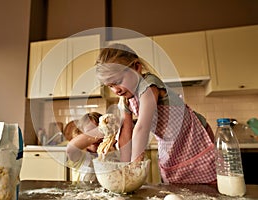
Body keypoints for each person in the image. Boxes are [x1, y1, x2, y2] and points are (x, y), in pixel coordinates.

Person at [94, 43, 216, 184]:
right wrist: (124, 170)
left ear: (137, 68)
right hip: (170, 143)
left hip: (195, 136)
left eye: (118, 81)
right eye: (110, 86)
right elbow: (125, 135)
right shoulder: (125, 100)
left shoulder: (149, 85)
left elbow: (142, 127)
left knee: (207, 186)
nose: (116, 90)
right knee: (178, 188)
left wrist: (135, 167)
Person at [66, 112, 118, 182]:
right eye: (90, 133)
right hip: (82, 192)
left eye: (103, 133)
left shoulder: (113, 154)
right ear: (80, 134)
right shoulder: (79, 156)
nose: (97, 138)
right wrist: (102, 129)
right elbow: (70, 148)